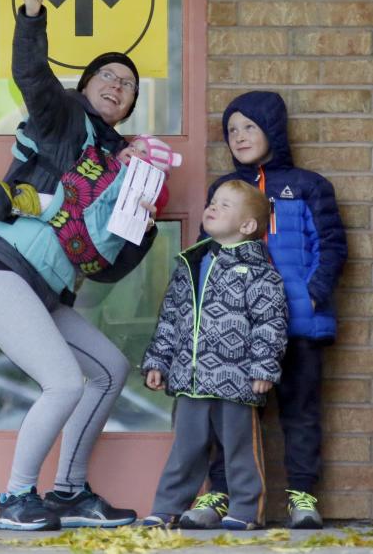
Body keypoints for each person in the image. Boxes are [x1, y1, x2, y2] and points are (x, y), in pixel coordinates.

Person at [0, 0, 159, 531]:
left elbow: (110, 269)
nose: (118, 86)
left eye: (129, 85)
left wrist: (139, 214)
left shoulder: (127, 167)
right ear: (87, 86)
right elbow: (33, 73)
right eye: (108, 77)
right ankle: (16, 497)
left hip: (44, 288)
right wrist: (33, 12)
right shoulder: (61, 117)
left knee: (110, 369)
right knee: (64, 380)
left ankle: (68, 490)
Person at [181, 91, 347, 530]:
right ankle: (221, 495)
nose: (239, 136)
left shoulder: (309, 186)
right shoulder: (224, 191)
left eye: (249, 126)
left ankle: (303, 496)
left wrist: (314, 292)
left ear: (272, 128)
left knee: (301, 412)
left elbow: (330, 246)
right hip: (237, 331)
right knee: (228, 418)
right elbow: (207, 252)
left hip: (300, 325)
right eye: (231, 130)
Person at [139, 180, 288, 531]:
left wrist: (264, 367)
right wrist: (158, 360)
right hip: (191, 379)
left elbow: (270, 322)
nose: (213, 207)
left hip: (236, 379)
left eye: (224, 205)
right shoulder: (191, 265)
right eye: (213, 202)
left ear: (247, 226)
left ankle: (246, 511)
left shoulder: (259, 272)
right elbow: (171, 318)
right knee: (185, 449)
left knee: (240, 449)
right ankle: (166, 508)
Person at [0, 134, 181, 220]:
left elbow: (158, 199)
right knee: (53, 201)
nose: (133, 151)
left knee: (57, 207)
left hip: (95, 219)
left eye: (143, 152)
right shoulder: (113, 163)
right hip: (75, 201)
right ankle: (13, 201)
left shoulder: (155, 187)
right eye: (133, 146)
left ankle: (16, 203)